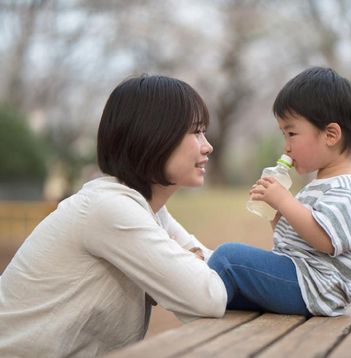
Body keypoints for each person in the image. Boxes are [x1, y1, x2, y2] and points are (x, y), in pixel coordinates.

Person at [0, 75, 227, 357]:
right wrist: (190, 264)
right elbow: (209, 298)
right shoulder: (109, 209)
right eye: (195, 132)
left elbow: (219, 271)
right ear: (153, 136)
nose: (208, 146)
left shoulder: (148, 210)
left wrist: (193, 262)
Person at [208, 67, 351, 317]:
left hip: (315, 287)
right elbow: (294, 239)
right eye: (283, 134)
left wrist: (283, 200)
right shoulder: (320, 185)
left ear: (331, 135)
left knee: (228, 259)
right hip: (301, 281)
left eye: (292, 133)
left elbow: (324, 240)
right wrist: (276, 212)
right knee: (229, 291)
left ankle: (187, 293)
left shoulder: (348, 189)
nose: (286, 146)